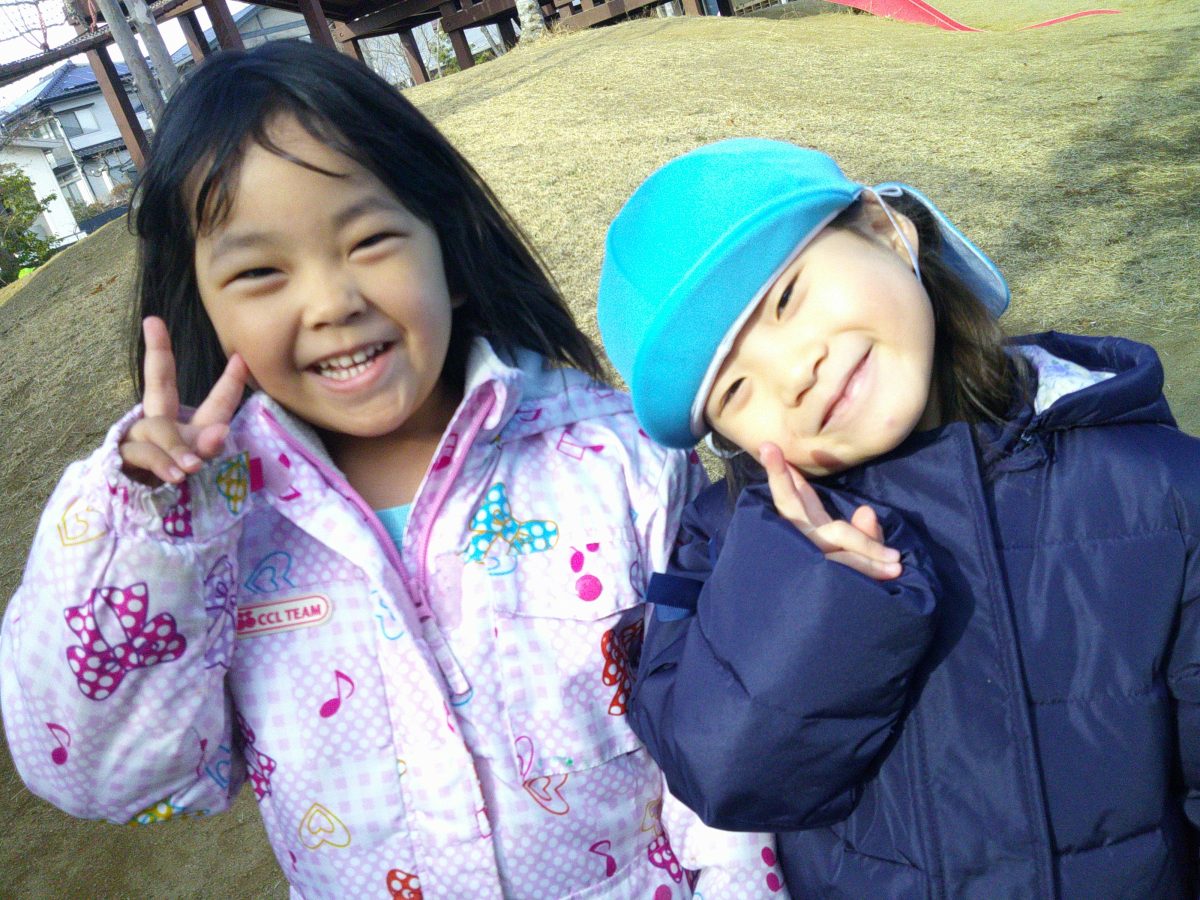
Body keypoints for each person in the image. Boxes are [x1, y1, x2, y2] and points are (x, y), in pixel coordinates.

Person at [0, 45, 787, 898]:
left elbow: (728, 745)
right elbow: (97, 774)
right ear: (204, 307)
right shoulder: (202, 539)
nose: (332, 302)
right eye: (260, 272)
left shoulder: (620, 462)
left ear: (449, 248)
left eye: (370, 240)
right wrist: (149, 536)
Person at [596, 138, 1200, 897]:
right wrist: (811, 597)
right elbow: (725, 774)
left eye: (785, 299)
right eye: (736, 389)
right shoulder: (724, 547)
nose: (794, 374)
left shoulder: (1161, 489)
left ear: (886, 231)